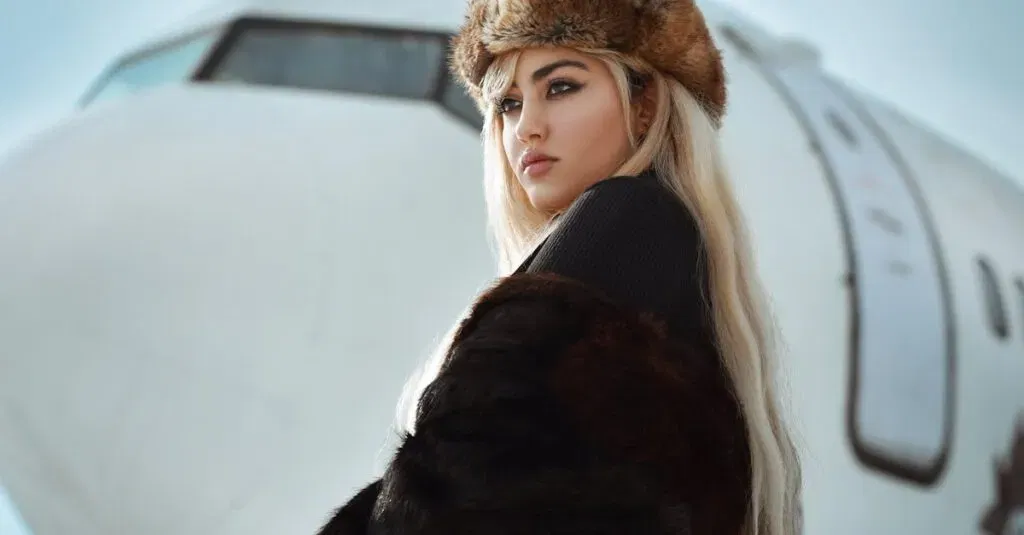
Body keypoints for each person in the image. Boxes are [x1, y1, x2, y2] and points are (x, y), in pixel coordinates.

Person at [315, 0, 802, 533]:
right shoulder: (660, 254)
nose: (527, 128)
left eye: (562, 87)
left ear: (645, 105)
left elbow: (467, 488)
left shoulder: (626, 215)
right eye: (508, 104)